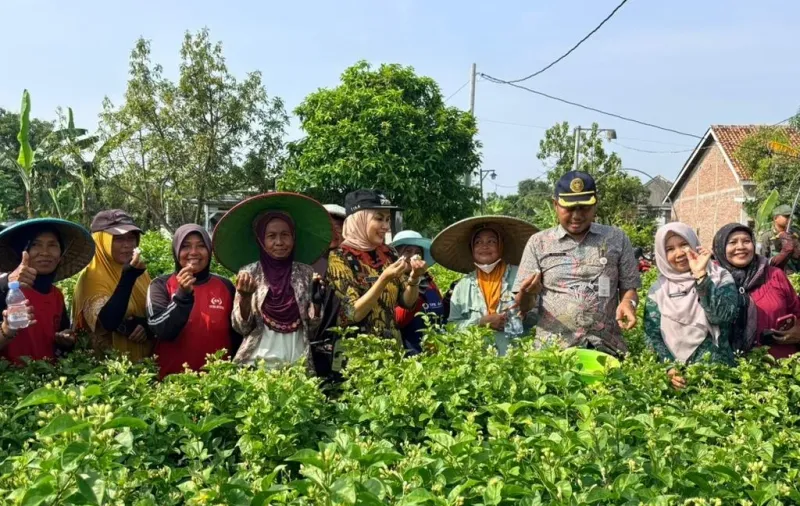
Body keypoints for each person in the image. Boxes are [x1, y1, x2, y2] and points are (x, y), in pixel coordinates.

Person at [514, 171, 641, 357]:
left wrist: (628, 303)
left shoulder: (616, 238)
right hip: (554, 350)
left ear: (595, 204)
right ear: (555, 204)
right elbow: (523, 306)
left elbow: (629, 287)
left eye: (584, 208)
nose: (577, 215)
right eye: (570, 208)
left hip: (606, 347)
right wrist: (527, 293)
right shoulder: (539, 243)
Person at [212, 192, 332, 369]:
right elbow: (242, 328)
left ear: (293, 237)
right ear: (261, 240)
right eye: (271, 236)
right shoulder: (249, 273)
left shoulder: (305, 273)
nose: (279, 242)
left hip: (297, 360)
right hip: (258, 362)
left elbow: (312, 329)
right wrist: (245, 297)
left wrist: (316, 302)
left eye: (285, 235)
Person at [326, 190, 426, 350]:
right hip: (358, 356)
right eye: (379, 219)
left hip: (392, 353)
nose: (386, 226)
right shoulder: (339, 257)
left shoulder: (389, 253)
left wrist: (414, 278)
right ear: (360, 219)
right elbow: (352, 313)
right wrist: (384, 279)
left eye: (387, 219)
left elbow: (407, 303)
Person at [644, 223, 738, 388]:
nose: (679, 253)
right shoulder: (658, 290)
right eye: (669, 249)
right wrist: (669, 368)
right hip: (678, 380)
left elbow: (722, 317)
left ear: (694, 244)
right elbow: (652, 336)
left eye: (684, 244)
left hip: (719, 376)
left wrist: (701, 277)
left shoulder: (720, 277)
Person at [431, 216, 537, 356]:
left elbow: (538, 316)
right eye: (478, 242)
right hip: (478, 362)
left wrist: (523, 314)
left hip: (517, 358)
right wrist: (480, 322)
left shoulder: (522, 276)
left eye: (492, 241)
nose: (484, 246)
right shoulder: (462, 286)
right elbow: (452, 327)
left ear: (501, 246)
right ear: (471, 248)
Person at [147, 224, 241, 377]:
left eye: (201, 246)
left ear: (209, 251)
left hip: (218, 384)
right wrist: (182, 295)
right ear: (176, 250)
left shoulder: (225, 286)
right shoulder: (160, 285)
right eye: (186, 246)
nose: (194, 252)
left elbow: (238, 333)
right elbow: (161, 329)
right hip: (172, 384)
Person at [0, 219, 95, 363]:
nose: (45, 252)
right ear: (22, 252)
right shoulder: (6, 291)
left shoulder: (56, 295)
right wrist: (7, 330)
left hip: (49, 379)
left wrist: (65, 340)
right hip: (13, 381)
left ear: (61, 255)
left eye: (52, 245)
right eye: (35, 245)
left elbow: (61, 333)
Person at [73, 210, 153, 361]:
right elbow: (108, 321)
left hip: (144, 364)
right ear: (101, 241)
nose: (127, 245)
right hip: (107, 370)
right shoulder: (91, 277)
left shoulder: (140, 272)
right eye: (118, 239)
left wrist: (146, 326)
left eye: (131, 238)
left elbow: (153, 309)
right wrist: (128, 278)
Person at [714, 223, 800, 359]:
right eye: (732, 242)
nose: (741, 247)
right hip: (731, 370)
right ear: (720, 248)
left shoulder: (774, 275)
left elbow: (797, 310)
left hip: (780, 365)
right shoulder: (713, 281)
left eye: (746, 241)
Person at [391, 230, 444, 355]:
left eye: (418, 252)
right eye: (408, 251)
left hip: (435, 353)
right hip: (409, 355)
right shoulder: (392, 282)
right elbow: (397, 320)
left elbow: (440, 311)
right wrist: (415, 286)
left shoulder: (428, 281)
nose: (413, 256)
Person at [758, 205, 800, 273]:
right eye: (786, 216)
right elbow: (762, 260)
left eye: (790, 217)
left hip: (794, 273)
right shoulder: (767, 236)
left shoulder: (795, 233)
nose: (789, 219)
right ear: (775, 218)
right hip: (774, 275)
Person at [311, 204, 346, 277]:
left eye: (337, 228)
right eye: (326, 229)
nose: (332, 233)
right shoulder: (310, 261)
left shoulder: (356, 259)